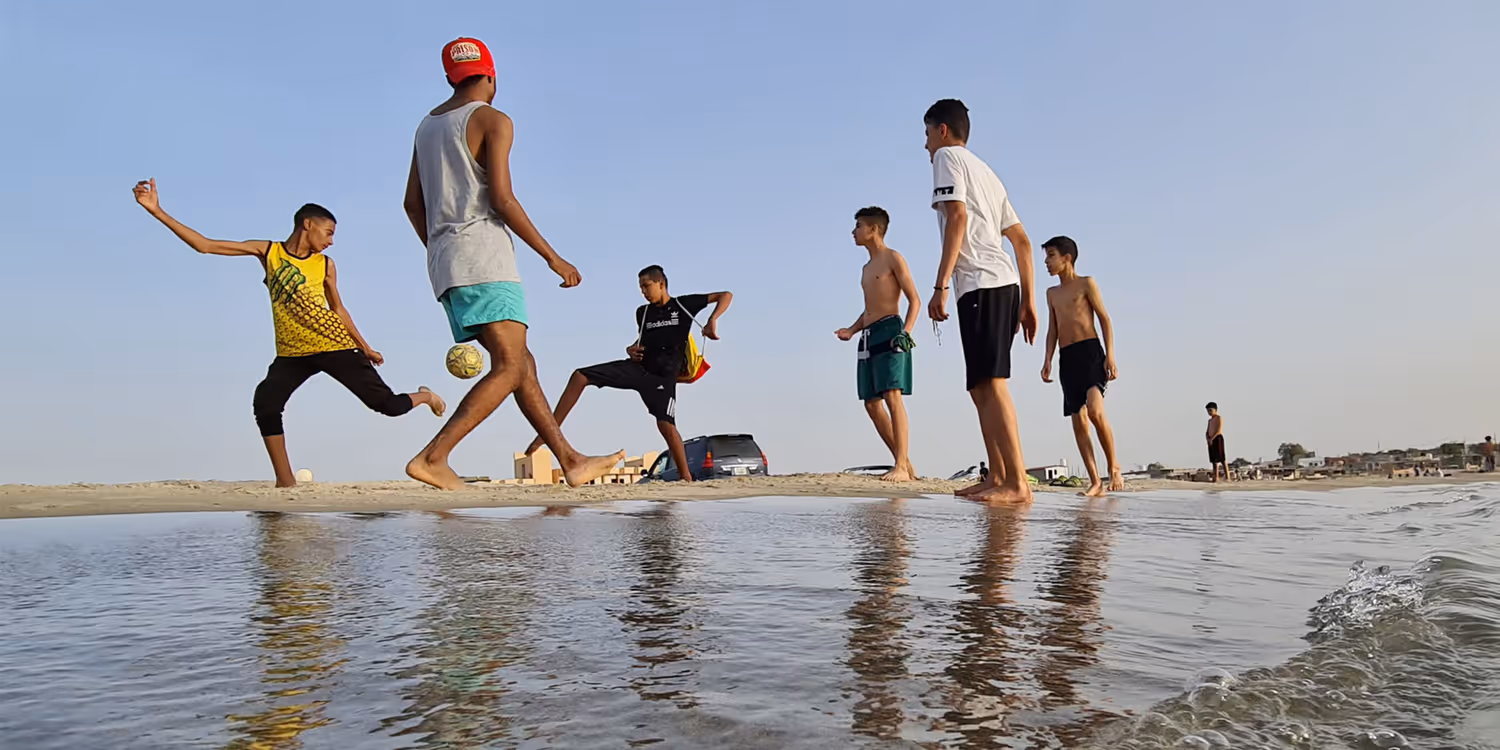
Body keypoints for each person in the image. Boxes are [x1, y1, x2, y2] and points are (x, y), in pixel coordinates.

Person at [402, 37, 622, 490]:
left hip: (445, 261)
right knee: (508, 365)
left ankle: (570, 459)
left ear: (449, 78)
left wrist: (442, 248)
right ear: (493, 76)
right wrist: (553, 257)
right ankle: (433, 456)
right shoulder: (493, 120)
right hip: (485, 256)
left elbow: (411, 204)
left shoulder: (426, 127)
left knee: (522, 363)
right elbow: (502, 198)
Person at [132, 180, 446, 488]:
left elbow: (338, 309)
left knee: (388, 406)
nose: (331, 241)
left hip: (334, 345)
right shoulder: (269, 252)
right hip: (292, 353)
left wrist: (364, 346)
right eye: (329, 232)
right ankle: (285, 481)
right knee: (266, 402)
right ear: (307, 224)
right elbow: (206, 245)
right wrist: (157, 211)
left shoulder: (325, 265)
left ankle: (425, 395)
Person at [922, 99, 1037, 502]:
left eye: (926, 134)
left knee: (992, 383)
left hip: (982, 283)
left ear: (942, 131)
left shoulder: (948, 157)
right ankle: (997, 475)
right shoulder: (988, 173)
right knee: (979, 387)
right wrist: (1028, 301)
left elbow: (957, 218)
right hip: (1001, 285)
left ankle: (1017, 483)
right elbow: (1021, 241)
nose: (925, 146)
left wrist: (940, 286)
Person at [523, 266, 733, 482]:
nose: (643, 292)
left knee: (666, 426)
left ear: (661, 284)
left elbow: (725, 295)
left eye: (646, 286)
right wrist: (630, 349)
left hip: (663, 378)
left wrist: (712, 319)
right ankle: (546, 434)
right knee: (580, 376)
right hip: (638, 369)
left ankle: (686, 479)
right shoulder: (642, 313)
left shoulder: (683, 305)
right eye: (640, 287)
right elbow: (643, 342)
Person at [835, 207, 921, 482]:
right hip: (868, 335)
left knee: (892, 396)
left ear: (873, 229)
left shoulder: (893, 258)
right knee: (871, 404)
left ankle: (899, 466)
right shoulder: (865, 268)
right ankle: (904, 463)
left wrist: (906, 332)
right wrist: (851, 329)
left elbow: (914, 300)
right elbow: (869, 309)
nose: (853, 231)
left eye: (858, 225)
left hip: (891, 331)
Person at [1039, 236, 1123, 497]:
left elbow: (1105, 319)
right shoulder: (1051, 293)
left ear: (1067, 258)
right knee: (1078, 421)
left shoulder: (1086, 284)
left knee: (1096, 412)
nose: (1046, 261)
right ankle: (1095, 481)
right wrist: (1048, 359)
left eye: (1051, 255)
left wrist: (1110, 356)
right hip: (1068, 358)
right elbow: (1052, 328)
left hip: (1090, 352)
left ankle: (1115, 468)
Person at [1205, 402, 1228, 482]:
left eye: (1210, 410)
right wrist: (1208, 439)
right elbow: (1207, 431)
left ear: (1215, 410)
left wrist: (1212, 438)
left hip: (1217, 439)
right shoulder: (1210, 421)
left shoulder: (1219, 418)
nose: (1209, 412)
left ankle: (1227, 476)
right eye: (1208, 411)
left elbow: (1218, 430)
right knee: (1213, 460)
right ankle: (1216, 477)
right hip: (1211, 440)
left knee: (1222, 458)